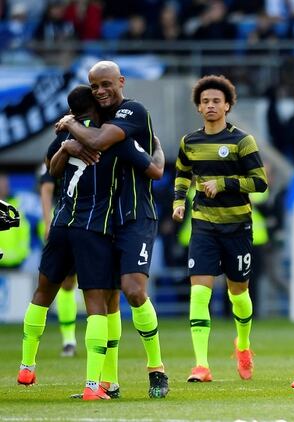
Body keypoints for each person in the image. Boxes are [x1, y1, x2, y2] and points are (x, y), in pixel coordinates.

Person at [20, 85, 161, 400]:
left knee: (44, 293)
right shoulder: (112, 139)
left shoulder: (64, 139)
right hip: (94, 229)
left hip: (60, 225)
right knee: (101, 304)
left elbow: (52, 173)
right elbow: (155, 170)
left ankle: (27, 364)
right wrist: (158, 148)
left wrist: (67, 140)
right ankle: (94, 385)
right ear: (97, 108)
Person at [55, 61, 169, 398]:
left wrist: (71, 127)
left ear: (120, 81)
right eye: (95, 87)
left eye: (107, 84)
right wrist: (68, 141)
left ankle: (156, 368)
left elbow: (102, 142)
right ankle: (108, 381)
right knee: (106, 299)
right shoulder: (94, 120)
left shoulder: (131, 111)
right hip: (101, 220)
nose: (101, 91)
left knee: (133, 290)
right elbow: (58, 163)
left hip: (135, 216)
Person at [172, 75, 267, 382]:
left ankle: (244, 345)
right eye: (205, 101)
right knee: (199, 293)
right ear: (199, 107)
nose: (211, 105)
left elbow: (260, 182)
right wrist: (178, 202)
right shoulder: (190, 142)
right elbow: (183, 174)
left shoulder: (242, 141)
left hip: (237, 227)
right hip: (203, 226)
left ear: (227, 105)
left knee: (238, 293)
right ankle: (201, 365)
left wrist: (224, 183)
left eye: (216, 101)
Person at [39, 166, 79, 357]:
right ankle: (69, 340)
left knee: (106, 286)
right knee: (67, 283)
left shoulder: (102, 144)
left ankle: (105, 339)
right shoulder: (60, 148)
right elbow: (46, 186)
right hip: (68, 224)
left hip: (98, 221)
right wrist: (48, 223)